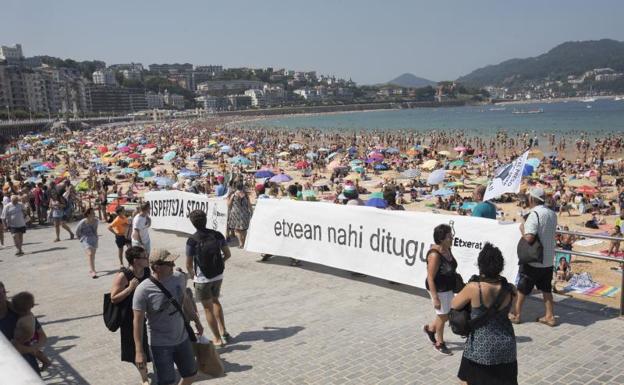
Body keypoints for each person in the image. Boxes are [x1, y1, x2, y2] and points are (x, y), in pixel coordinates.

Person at [133, 248, 203, 385]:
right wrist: (139, 351)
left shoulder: (178, 278)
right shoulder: (143, 290)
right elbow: (137, 322)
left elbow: (186, 301)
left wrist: (196, 320)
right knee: (166, 382)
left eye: (173, 263)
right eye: (169, 263)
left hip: (182, 339)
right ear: (157, 267)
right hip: (160, 345)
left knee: (191, 374)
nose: (173, 266)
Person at [452, 243, 518, 385]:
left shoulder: (474, 288)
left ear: (480, 265)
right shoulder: (511, 288)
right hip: (506, 347)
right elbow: (514, 313)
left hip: (479, 348)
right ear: (501, 266)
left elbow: (454, 304)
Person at [509, 187, 558, 327]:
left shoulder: (534, 214)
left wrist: (522, 229)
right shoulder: (552, 214)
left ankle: (516, 314)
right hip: (548, 259)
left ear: (531, 199)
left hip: (534, 259)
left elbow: (529, 238)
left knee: (523, 288)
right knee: (546, 289)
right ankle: (550, 316)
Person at [186, 209, 232, 348]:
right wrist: (220, 264)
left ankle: (217, 338)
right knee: (216, 301)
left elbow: (188, 264)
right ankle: (224, 332)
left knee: (207, 309)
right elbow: (228, 254)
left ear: (193, 223)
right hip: (218, 275)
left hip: (202, 278)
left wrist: (193, 275)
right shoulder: (217, 234)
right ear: (206, 220)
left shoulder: (192, 240)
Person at [110, 246, 151, 385]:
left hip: (145, 314)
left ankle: (145, 369)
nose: (147, 259)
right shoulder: (123, 276)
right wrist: (129, 288)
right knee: (136, 348)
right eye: (144, 257)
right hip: (129, 318)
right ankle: (144, 378)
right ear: (135, 260)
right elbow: (113, 298)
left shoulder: (146, 271)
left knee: (147, 346)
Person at [423, 223, 459, 355]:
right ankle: (439, 343)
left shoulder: (447, 248)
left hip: (447, 287)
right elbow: (430, 278)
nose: (452, 238)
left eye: (451, 235)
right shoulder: (435, 255)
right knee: (443, 315)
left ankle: (431, 329)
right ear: (441, 239)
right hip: (438, 289)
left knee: (445, 315)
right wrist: (435, 298)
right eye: (449, 236)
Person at [0, 282, 48, 376]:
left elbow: (42, 336)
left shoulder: (20, 310)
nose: (1, 297)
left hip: (29, 368)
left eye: (2, 293)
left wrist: (32, 349)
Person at [11, 292, 52, 373]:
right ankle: (46, 361)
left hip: (29, 338)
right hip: (32, 336)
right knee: (35, 351)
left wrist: (19, 341)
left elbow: (26, 332)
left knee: (34, 351)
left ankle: (46, 361)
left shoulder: (24, 319)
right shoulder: (28, 314)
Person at [75, 208, 99, 278]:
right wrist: (80, 239)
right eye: (92, 213)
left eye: (94, 212)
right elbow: (77, 231)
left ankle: (92, 268)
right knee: (90, 254)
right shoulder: (83, 222)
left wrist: (96, 238)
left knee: (93, 255)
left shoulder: (96, 221)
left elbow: (95, 230)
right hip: (85, 239)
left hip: (93, 239)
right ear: (88, 214)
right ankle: (93, 271)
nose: (94, 214)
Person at [226, 183, 252, 248]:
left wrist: (227, 200)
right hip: (245, 213)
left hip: (235, 214)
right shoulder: (245, 195)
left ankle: (241, 243)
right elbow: (249, 205)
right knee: (244, 229)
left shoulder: (233, 195)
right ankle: (244, 242)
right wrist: (251, 212)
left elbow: (229, 205)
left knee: (237, 229)